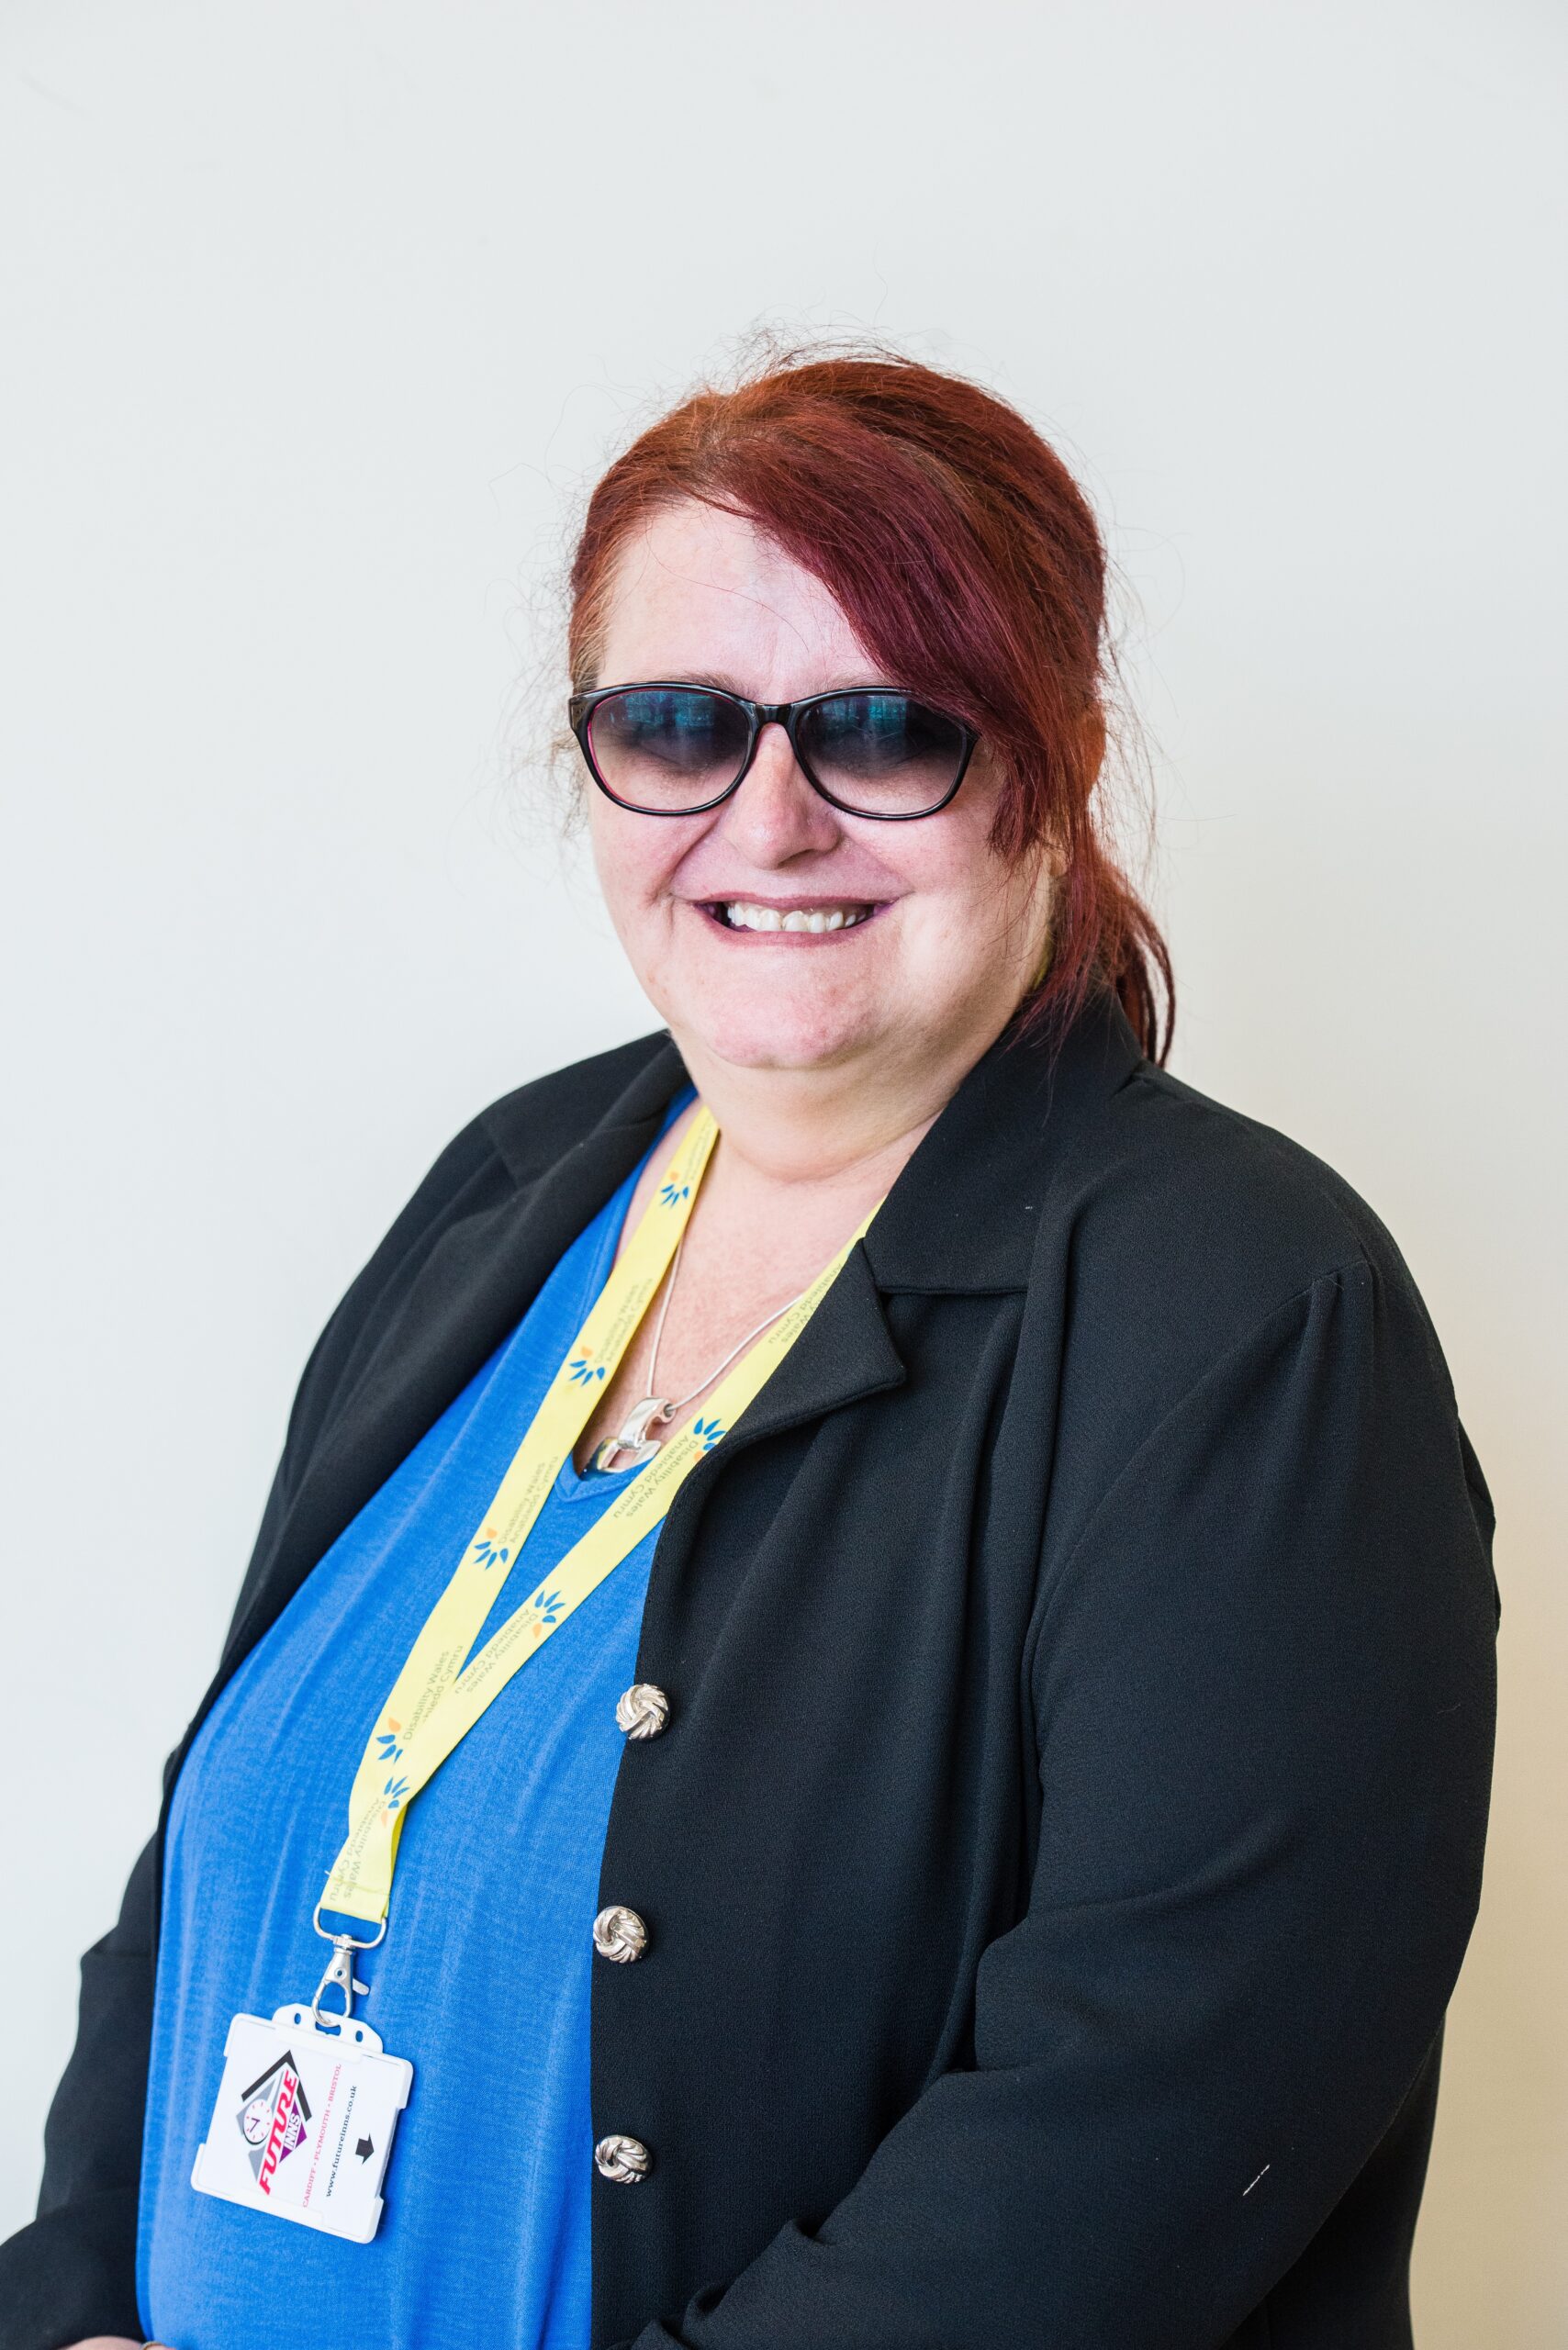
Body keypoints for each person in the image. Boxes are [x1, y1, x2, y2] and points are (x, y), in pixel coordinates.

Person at [2, 352, 1497, 2350]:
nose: (766, 818)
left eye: (880, 731)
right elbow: (221, 1850)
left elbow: (1134, 2133)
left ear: (1046, 765)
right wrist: (75, 2303)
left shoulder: (1244, 1315)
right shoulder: (513, 1182)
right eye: (678, 724)